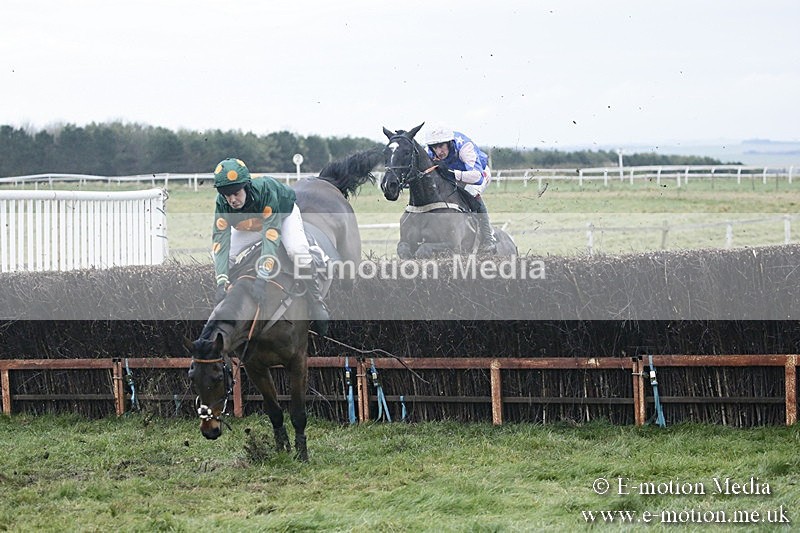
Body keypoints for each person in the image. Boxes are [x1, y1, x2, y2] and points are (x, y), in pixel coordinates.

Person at [210, 157, 329, 335]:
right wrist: (221, 282)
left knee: (296, 252)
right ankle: (232, 291)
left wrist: (262, 277)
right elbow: (220, 242)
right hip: (252, 223)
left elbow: (270, 238)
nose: (232, 200)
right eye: (227, 195)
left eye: (236, 193)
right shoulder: (222, 203)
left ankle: (316, 302)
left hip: (282, 215)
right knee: (218, 255)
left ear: (246, 187)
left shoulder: (265, 190)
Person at [425, 126, 497, 253]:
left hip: (479, 173)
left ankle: (488, 238)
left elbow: (477, 177)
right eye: (434, 148)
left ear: (449, 143)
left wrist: (451, 174)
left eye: (441, 146)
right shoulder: (429, 152)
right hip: (455, 175)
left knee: (471, 192)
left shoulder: (464, 147)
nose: (438, 151)